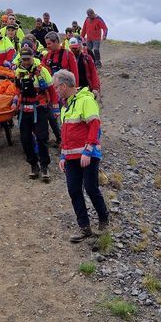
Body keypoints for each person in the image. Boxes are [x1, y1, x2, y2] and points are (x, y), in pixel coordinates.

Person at [54, 69, 109, 242]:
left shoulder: (86, 101)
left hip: (88, 155)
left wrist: (88, 150)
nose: (55, 90)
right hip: (71, 158)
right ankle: (84, 227)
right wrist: (63, 156)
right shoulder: (66, 106)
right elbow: (65, 135)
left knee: (91, 188)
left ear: (63, 86)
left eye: (56, 87)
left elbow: (95, 126)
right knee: (74, 190)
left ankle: (104, 220)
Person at [13, 47, 54, 181]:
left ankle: (44, 166)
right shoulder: (18, 72)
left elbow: (51, 89)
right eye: (23, 59)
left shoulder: (42, 71)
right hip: (24, 110)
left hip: (39, 109)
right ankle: (33, 165)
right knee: (25, 140)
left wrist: (55, 108)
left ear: (32, 58)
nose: (25, 62)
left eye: (28, 59)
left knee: (42, 139)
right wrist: (14, 103)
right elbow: (17, 90)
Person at [42, 31, 78, 146]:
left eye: (49, 43)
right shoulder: (47, 56)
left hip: (65, 93)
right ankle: (59, 138)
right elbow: (42, 71)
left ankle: (68, 140)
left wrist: (73, 93)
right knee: (52, 117)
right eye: (46, 44)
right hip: (51, 92)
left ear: (56, 42)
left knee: (66, 117)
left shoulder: (68, 54)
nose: (47, 46)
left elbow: (74, 75)